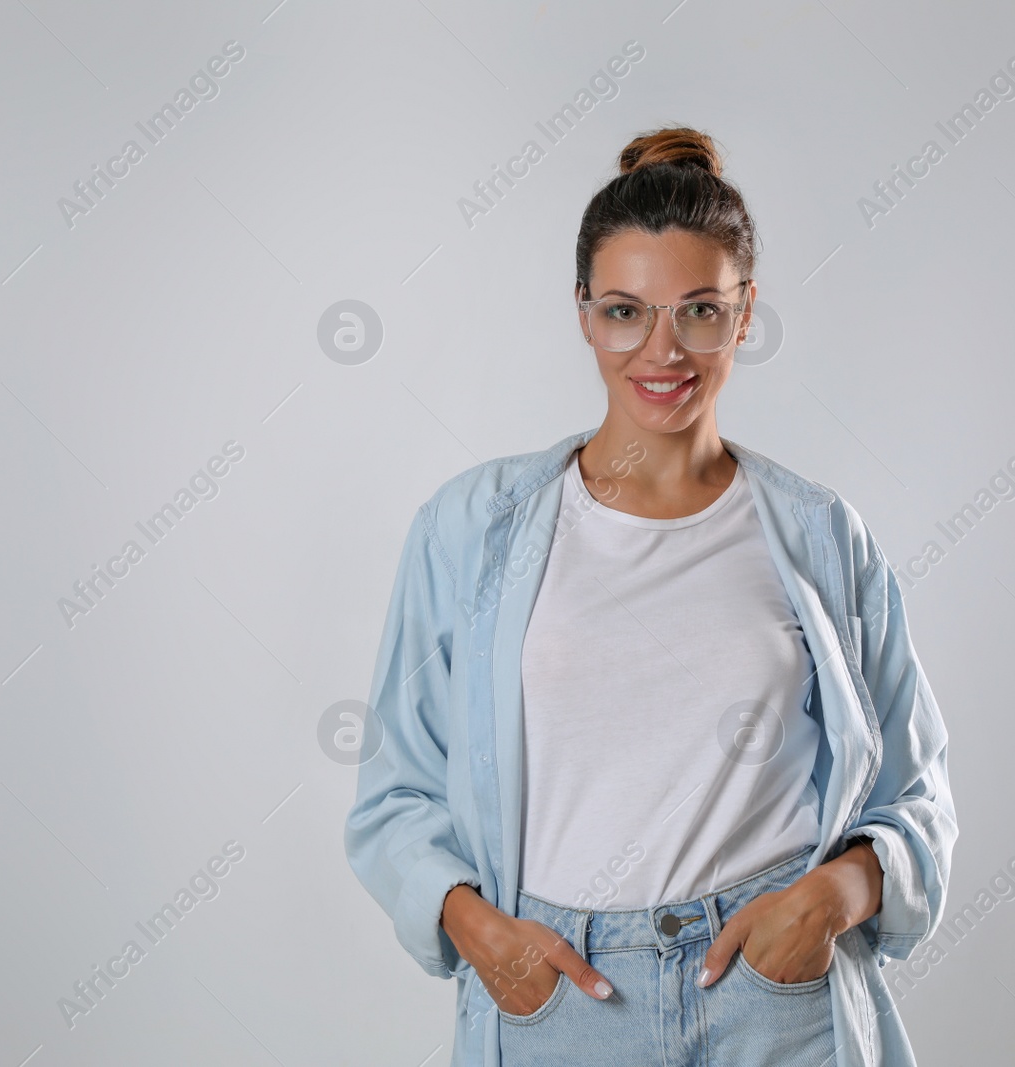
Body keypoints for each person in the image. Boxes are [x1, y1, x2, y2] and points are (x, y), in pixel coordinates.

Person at [345, 125, 956, 1067]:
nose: (662, 350)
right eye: (627, 310)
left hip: (774, 996)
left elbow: (914, 792)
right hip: (561, 1001)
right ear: (584, 313)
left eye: (701, 311)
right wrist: (479, 932)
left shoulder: (823, 536)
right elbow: (394, 791)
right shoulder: (471, 530)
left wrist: (832, 900)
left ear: (747, 313)